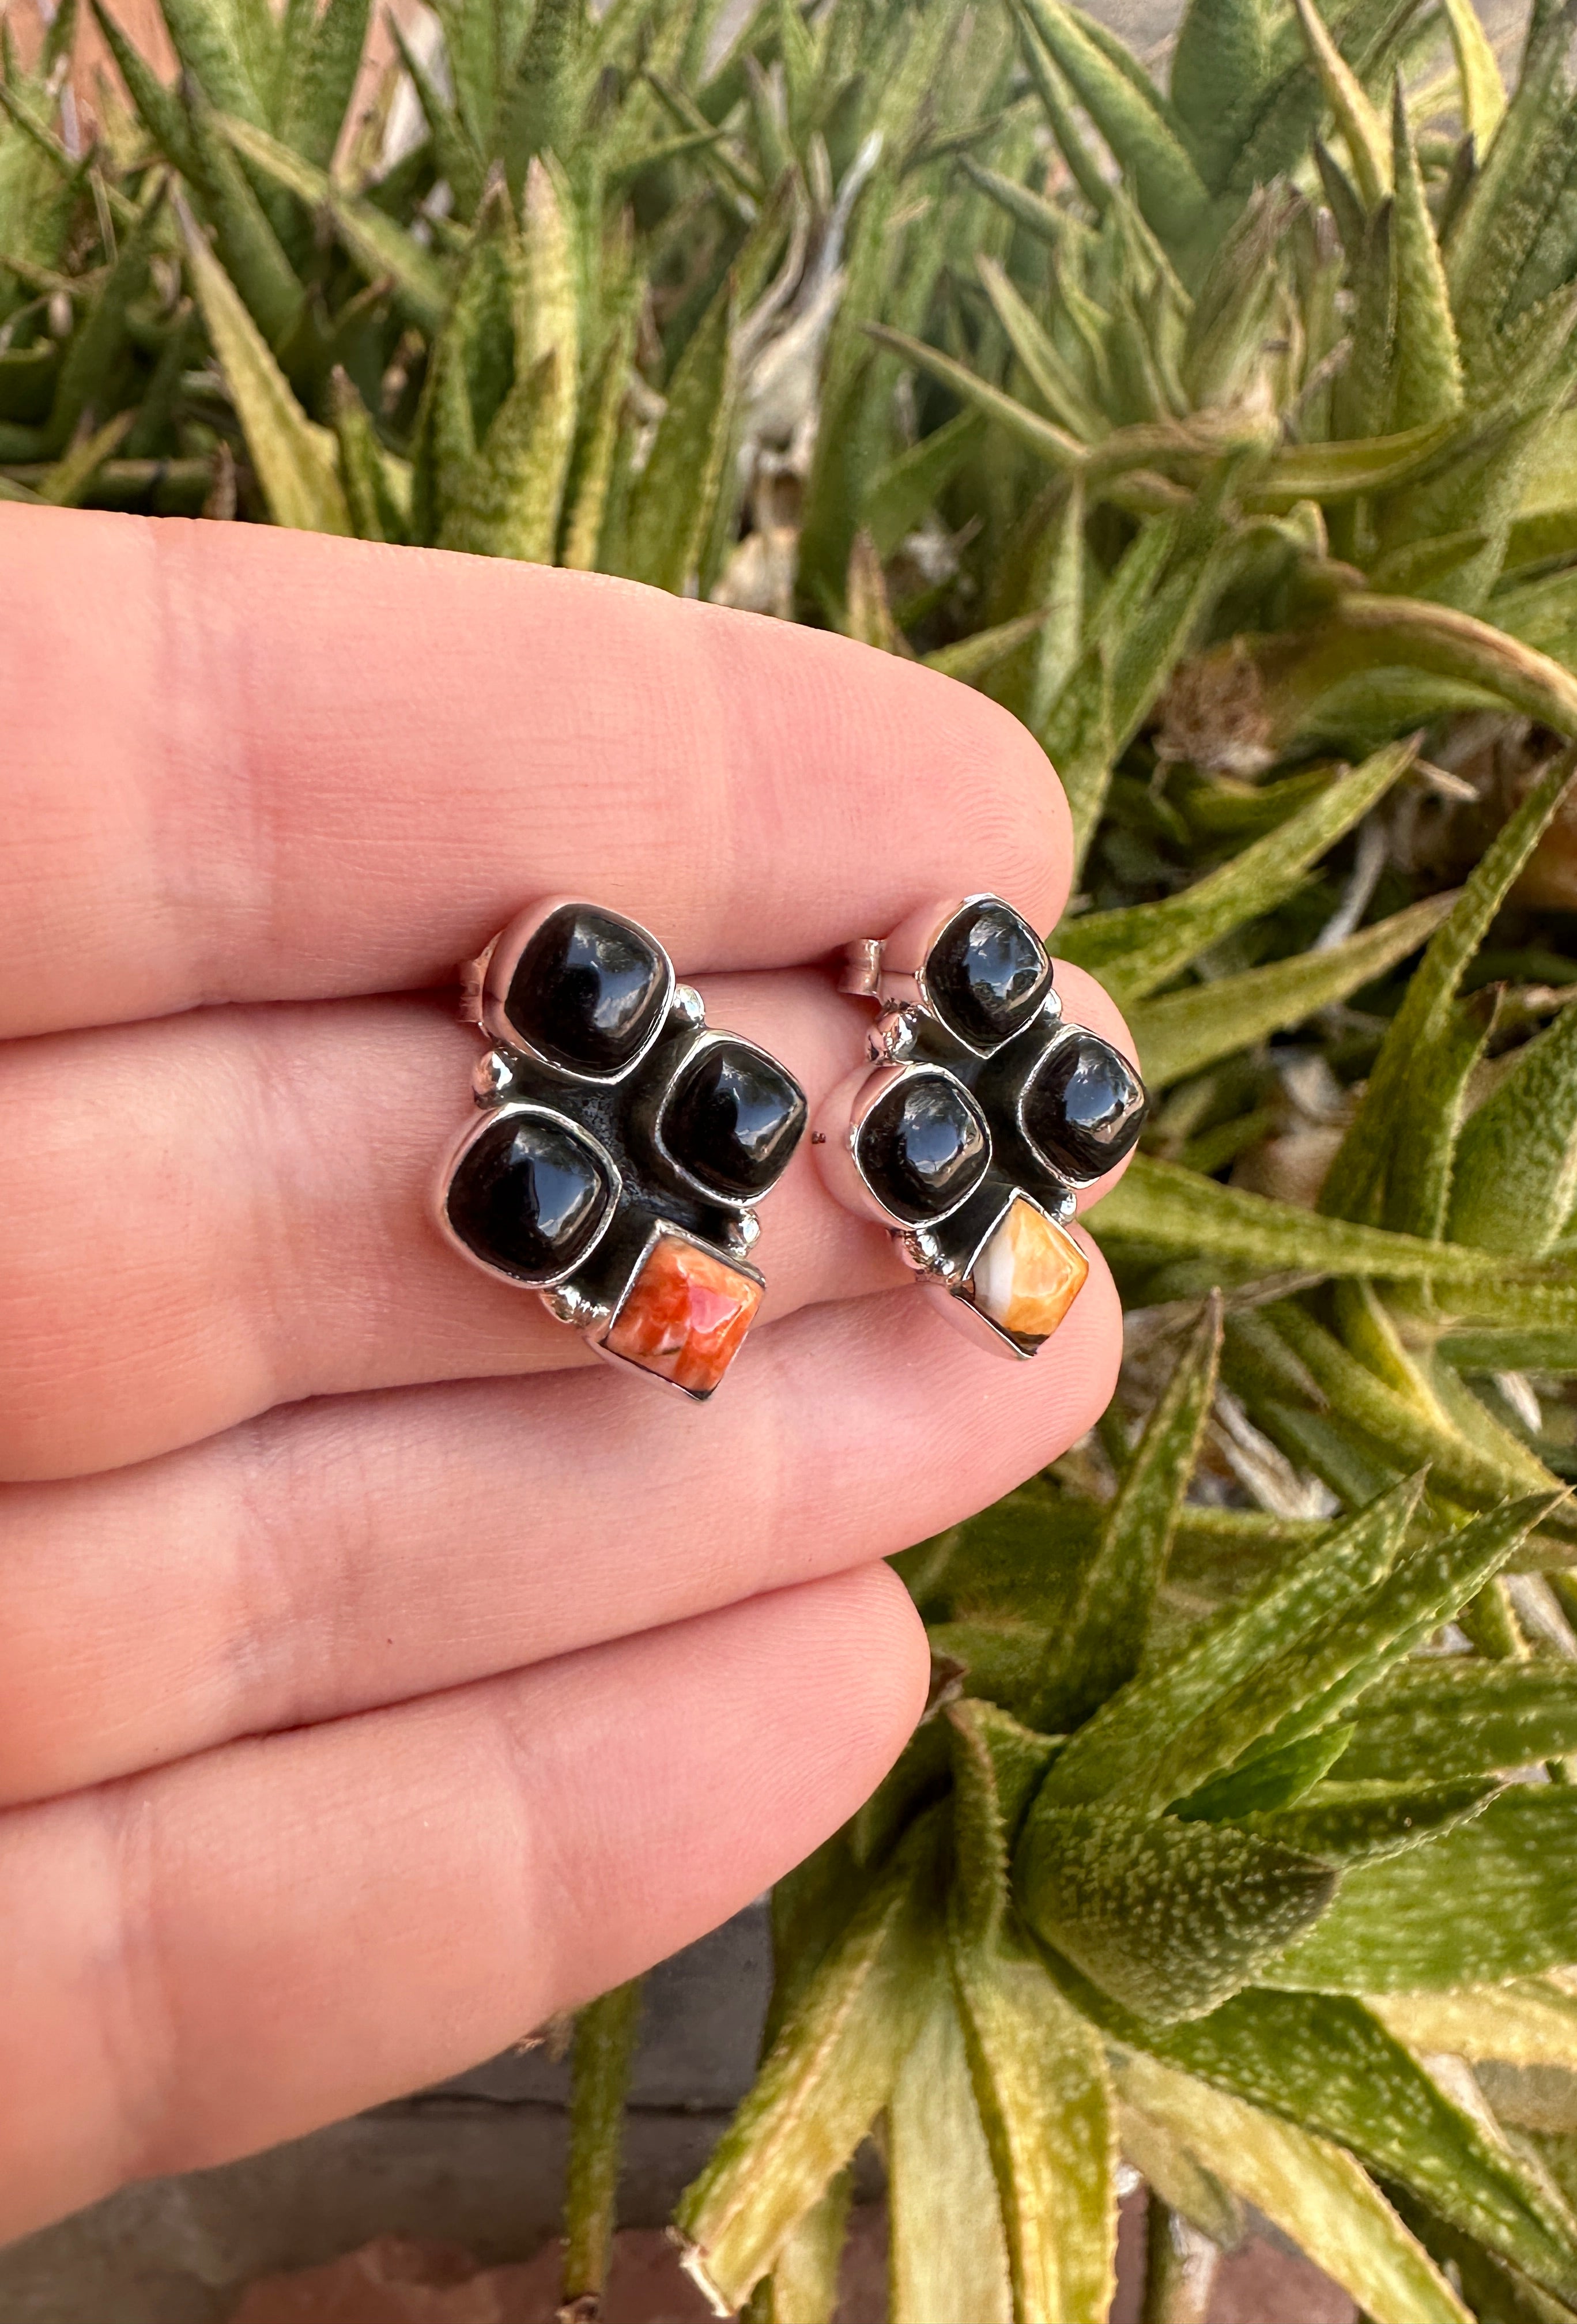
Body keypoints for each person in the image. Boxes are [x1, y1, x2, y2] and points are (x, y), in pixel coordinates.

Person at [0, 503, 1134, 2244]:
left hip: (741, 1162)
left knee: (731, 1162)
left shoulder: (808, 1116)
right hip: (672, 1166)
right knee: (704, 1172)